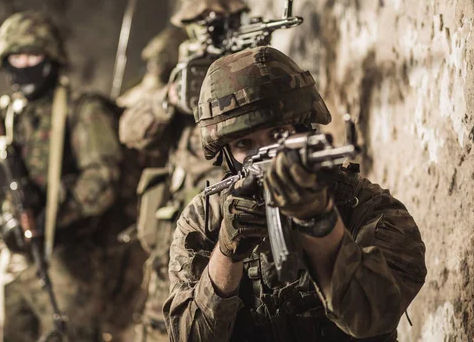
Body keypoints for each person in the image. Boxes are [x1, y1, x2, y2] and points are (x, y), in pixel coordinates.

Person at [163, 46, 428, 341]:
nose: (265, 155)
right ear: (226, 154)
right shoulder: (204, 219)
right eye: (244, 143)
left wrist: (320, 221)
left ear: (305, 129)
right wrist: (227, 251)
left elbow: (371, 319)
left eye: (278, 135)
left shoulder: (368, 208)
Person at [0, 11, 131, 342]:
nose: (24, 63)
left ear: (52, 57)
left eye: (33, 55)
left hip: (67, 259)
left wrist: (55, 213)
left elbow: (102, 181)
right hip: (14, 258)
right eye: (16, 56)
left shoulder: (83, 110)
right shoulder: (7, 111)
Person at [118, 0, 249, 342]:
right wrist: (169, 101)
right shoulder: (173, 63)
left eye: (220, 17)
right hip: (179, 216)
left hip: (235, 211)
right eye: (200, 19)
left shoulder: (253, 57)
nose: (210, 25)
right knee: (162, 324)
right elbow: (129, 129)